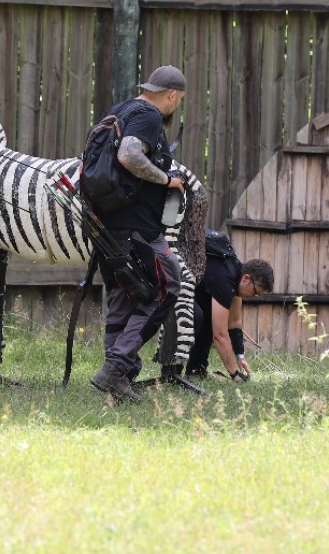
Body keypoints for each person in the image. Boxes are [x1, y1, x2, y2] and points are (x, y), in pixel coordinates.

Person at [86, 65, 189, 403]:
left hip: (106, 223)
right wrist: (166, 180)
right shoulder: (148, 115)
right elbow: (128, 154)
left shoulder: (119, 109)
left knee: (122, 296)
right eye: (180, 101)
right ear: (172, 95)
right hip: (138, 227)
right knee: (166, 286)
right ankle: (116, 368)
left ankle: (119, 382)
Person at [185, 230, 274, 381]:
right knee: (200, 317)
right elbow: (220, 335)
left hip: (193, 289)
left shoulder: (236, 273)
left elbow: (234, 322)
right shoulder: (225, 280)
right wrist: (234, 374)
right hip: (171, 287)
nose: (254, 297)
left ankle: (196, 371)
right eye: (256, 292)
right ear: (246, 279)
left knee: (208, 317)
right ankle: (172, 371)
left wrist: (240, 355)